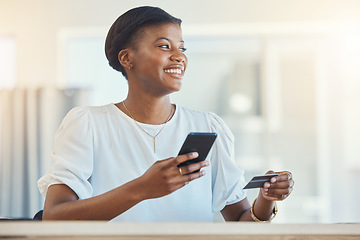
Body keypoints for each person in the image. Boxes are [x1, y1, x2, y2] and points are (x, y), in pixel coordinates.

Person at [38, 6, 294, 222]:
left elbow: (241, 222)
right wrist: (141, 189)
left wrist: (265, 200)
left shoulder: (208, 126)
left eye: (182, 48)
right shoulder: (88, 124)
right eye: (164, 46)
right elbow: (55, 216)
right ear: (127, 58)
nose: (178, 56)